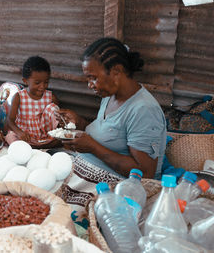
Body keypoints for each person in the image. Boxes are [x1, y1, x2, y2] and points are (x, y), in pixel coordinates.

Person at [58, 37, 166, 212]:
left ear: (116, 71)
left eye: (93, 78)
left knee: (57, 211)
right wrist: (79, 123)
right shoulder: (109, 95)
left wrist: (92, 147)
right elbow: (108, 133)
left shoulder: (143, 110)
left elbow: (145, 174)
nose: (89, 85)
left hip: (113, 186)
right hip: (83, 170)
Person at [5, 56, 61, 148]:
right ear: (25, 81)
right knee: (11, 137)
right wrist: (19, 132)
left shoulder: (51, 97)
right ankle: (32, 147)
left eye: (46, 82)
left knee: (53, 108)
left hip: (43, 137)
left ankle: (38, 146)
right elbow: (9, 120)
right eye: (37, 83)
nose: (42, 86)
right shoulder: (18, 97)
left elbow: (58, 121)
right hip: (23, 136)